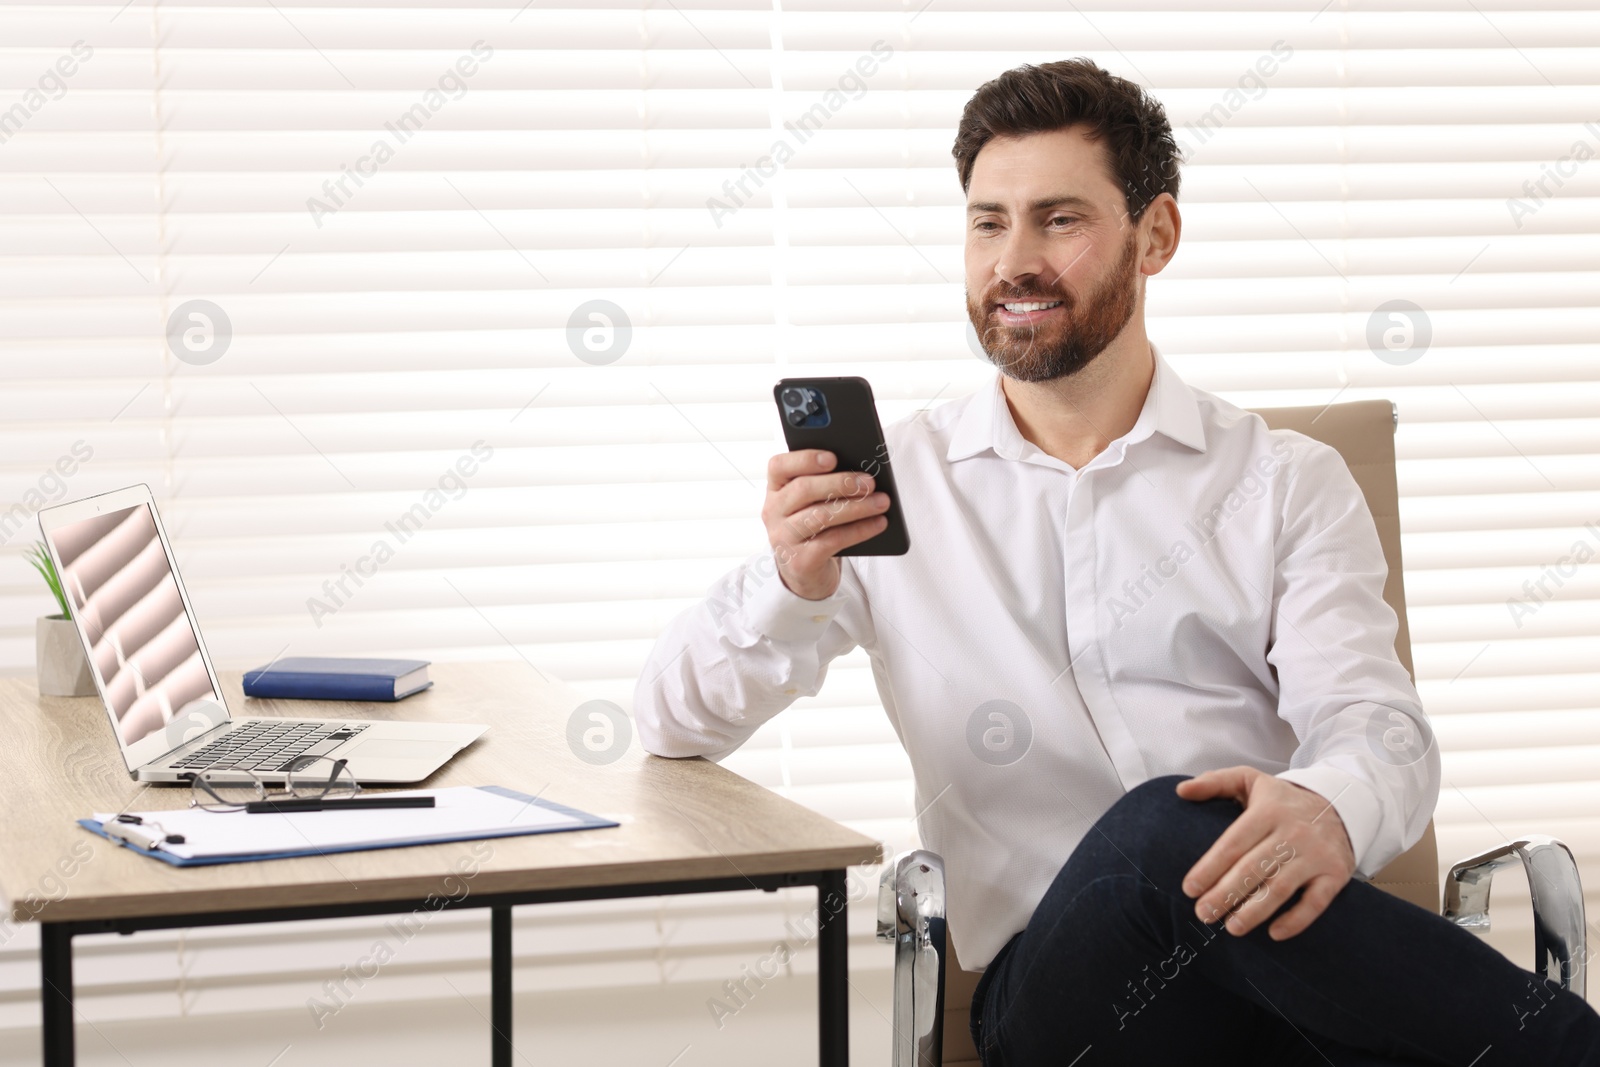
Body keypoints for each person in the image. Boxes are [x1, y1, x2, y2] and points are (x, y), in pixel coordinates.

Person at [633, 57, 1600, 1066]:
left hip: (1281, 967)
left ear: (1157, 236)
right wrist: (792, 585)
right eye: (987, 221)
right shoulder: (895, 487)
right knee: (1164, 832)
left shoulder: (1285, 481)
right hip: (1068, 1006)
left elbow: (1377, 726)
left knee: (1221, 869)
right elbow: (672, 719)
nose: (1013, 261)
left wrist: (1327, 803)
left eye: (1058, 219)